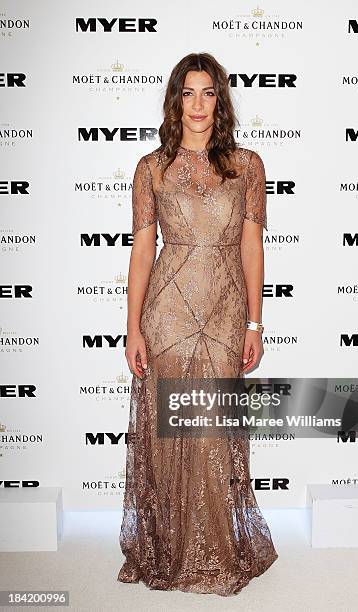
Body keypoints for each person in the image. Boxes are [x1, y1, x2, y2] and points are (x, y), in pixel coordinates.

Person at [117, 52, 278, 596]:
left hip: (226, 311)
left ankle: (214, 552)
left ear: (221, 100)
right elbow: (143, 252)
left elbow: (252, 247)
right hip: (167, 313)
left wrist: (255, 323)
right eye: (188, 93)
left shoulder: (246, 166)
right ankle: (169, 551)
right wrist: (133, 326)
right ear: (175, 101)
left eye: (209, 92)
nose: (198, 104)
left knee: (213, 436)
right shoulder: (151, 169)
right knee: (168, 437)